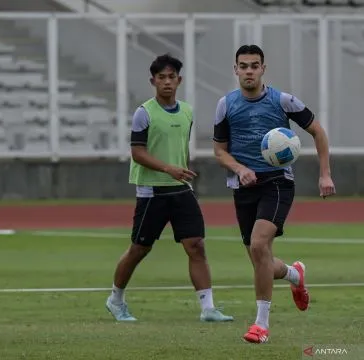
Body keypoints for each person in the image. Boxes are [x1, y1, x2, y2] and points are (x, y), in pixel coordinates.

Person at [213, 44, 336, 344]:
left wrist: (325, 174)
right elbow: (219, 150)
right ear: (236, 69)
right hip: (243, 186)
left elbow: (318, 131)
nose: (249, 71)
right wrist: (239, 168)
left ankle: (261, 325)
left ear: (263, 69)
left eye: (255, 65)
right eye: (244, 66)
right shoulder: (226, 105)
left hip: (277, 182)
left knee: (259, 243)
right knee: (260, 259)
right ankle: (295, 275)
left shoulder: (282, 101)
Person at [105, 54, 233, 323]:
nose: (166, 82)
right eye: (161, 77)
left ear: (179, 80)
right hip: (152, 191)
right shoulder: (144, 112)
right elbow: (137, 152)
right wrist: (168, 168)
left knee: (196, 245)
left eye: (171, 77)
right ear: (153, 81)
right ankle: (115, 300)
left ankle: (208, 308)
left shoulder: (187, 111)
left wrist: (181, 171)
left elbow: (180, 147)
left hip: (181, 189)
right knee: (139, 248)